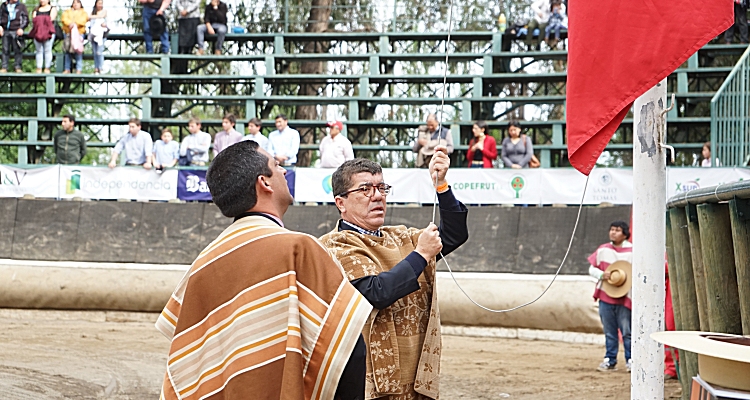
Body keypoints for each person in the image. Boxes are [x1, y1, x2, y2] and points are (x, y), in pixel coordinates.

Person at [156, 140, 373, 399]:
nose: (283, 171)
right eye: (277, 165)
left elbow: (188, 364)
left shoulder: (201, 267)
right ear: (265, 182)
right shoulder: (298, 250)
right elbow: (348, 349)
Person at [319, 149, 469, 399]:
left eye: (381, 188)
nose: (377, 196)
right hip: (370, 381)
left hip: (415, 373)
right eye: (365, 189)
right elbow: (376, 292)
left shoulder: (400, 236)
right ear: (340, 202)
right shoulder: (335, 245)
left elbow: (454, 235)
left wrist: (441, 186)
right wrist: (421, 254)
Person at [588, 221, 633, 373]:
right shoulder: (603, 250)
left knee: (627, 331)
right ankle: (610, 359)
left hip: (625, 296)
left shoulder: (633, 251)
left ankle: (631, 359)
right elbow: (592, 268)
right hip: (607, 295)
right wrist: (602, 274)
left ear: (625, 234)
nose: (613, 232)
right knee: (609, 331)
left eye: (617, 230)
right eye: (612, 229)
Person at [0, 0, 29, 73]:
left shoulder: (22, 6)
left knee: (17, 50)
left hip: (16, 31)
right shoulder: (4, 5)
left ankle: (18, 67)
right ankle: (4, 67)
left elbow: (26, 19)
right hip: (5, 30)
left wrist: (21, 28)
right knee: (5, 49)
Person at [173, 0, 200, 74]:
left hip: (193, 18)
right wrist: (182, 10)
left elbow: (197, 3)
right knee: (182, 45)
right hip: (182, 19)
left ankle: (185, 66)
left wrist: (187, 11)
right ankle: (180, 69)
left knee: (190, 43)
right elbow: (177, 2)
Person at [30, 0, 56, 74]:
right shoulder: (36, 9)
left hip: (49, 33)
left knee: (48, 50)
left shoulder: (52, 8)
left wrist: (40, 19)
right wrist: (44, 19)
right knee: (39, 51)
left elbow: (51, 19)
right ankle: (39, 68)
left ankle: (47, 68)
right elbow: (34, 20)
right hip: (37, 32)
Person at [61, 0, 87, 74]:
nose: (75, 4)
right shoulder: (67, 11)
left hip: (79, 34)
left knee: (78, 51)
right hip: (68, 33)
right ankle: (67, 68)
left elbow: (83, 20)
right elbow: (64, 19)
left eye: (77, 3)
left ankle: (79, 69)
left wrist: (75, 24)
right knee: (67, 51)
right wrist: (70, 24)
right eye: (74, 3)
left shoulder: (83, 12)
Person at [88, 0, 107, 74]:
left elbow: (101, 16)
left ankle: (101, 67)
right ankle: (96, 68)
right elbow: (88, 18)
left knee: (99, 52)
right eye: (99, 3)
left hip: (101, 34)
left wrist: (93, 17)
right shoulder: (93, 12)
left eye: (101, 3)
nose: (100, 5)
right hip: (93, 33)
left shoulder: (104, 11)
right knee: (95, 52)